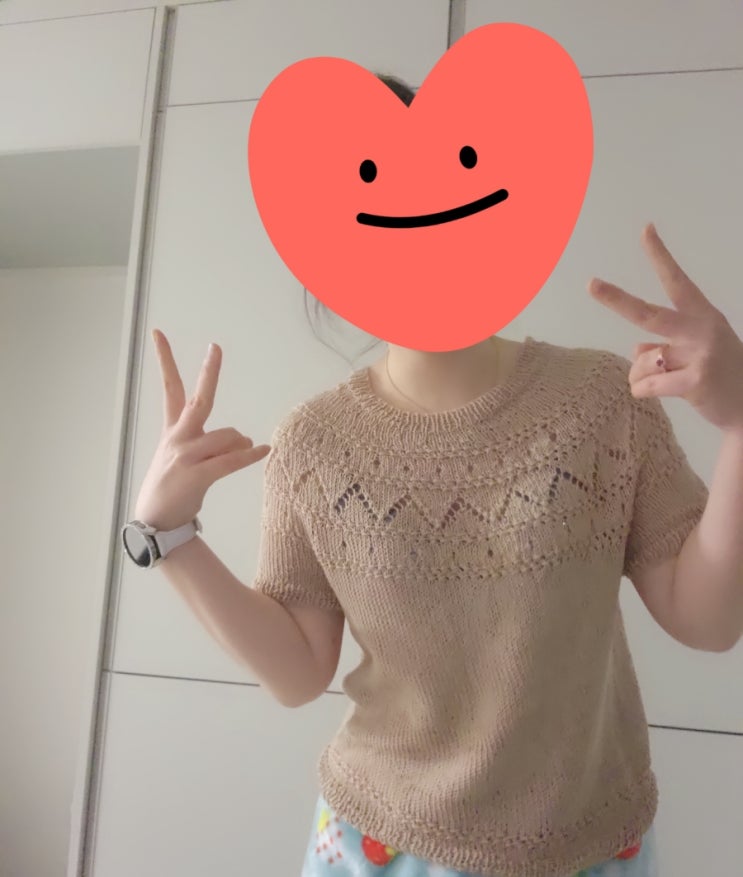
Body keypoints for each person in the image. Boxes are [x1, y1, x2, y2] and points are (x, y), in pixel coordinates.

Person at [125, 75, 743, 877]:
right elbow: (298, 670)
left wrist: (739, 424)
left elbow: (707, 619)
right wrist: (168, 535)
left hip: (589, 845)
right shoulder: (316, 443)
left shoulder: (601, 401)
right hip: (380, 844)